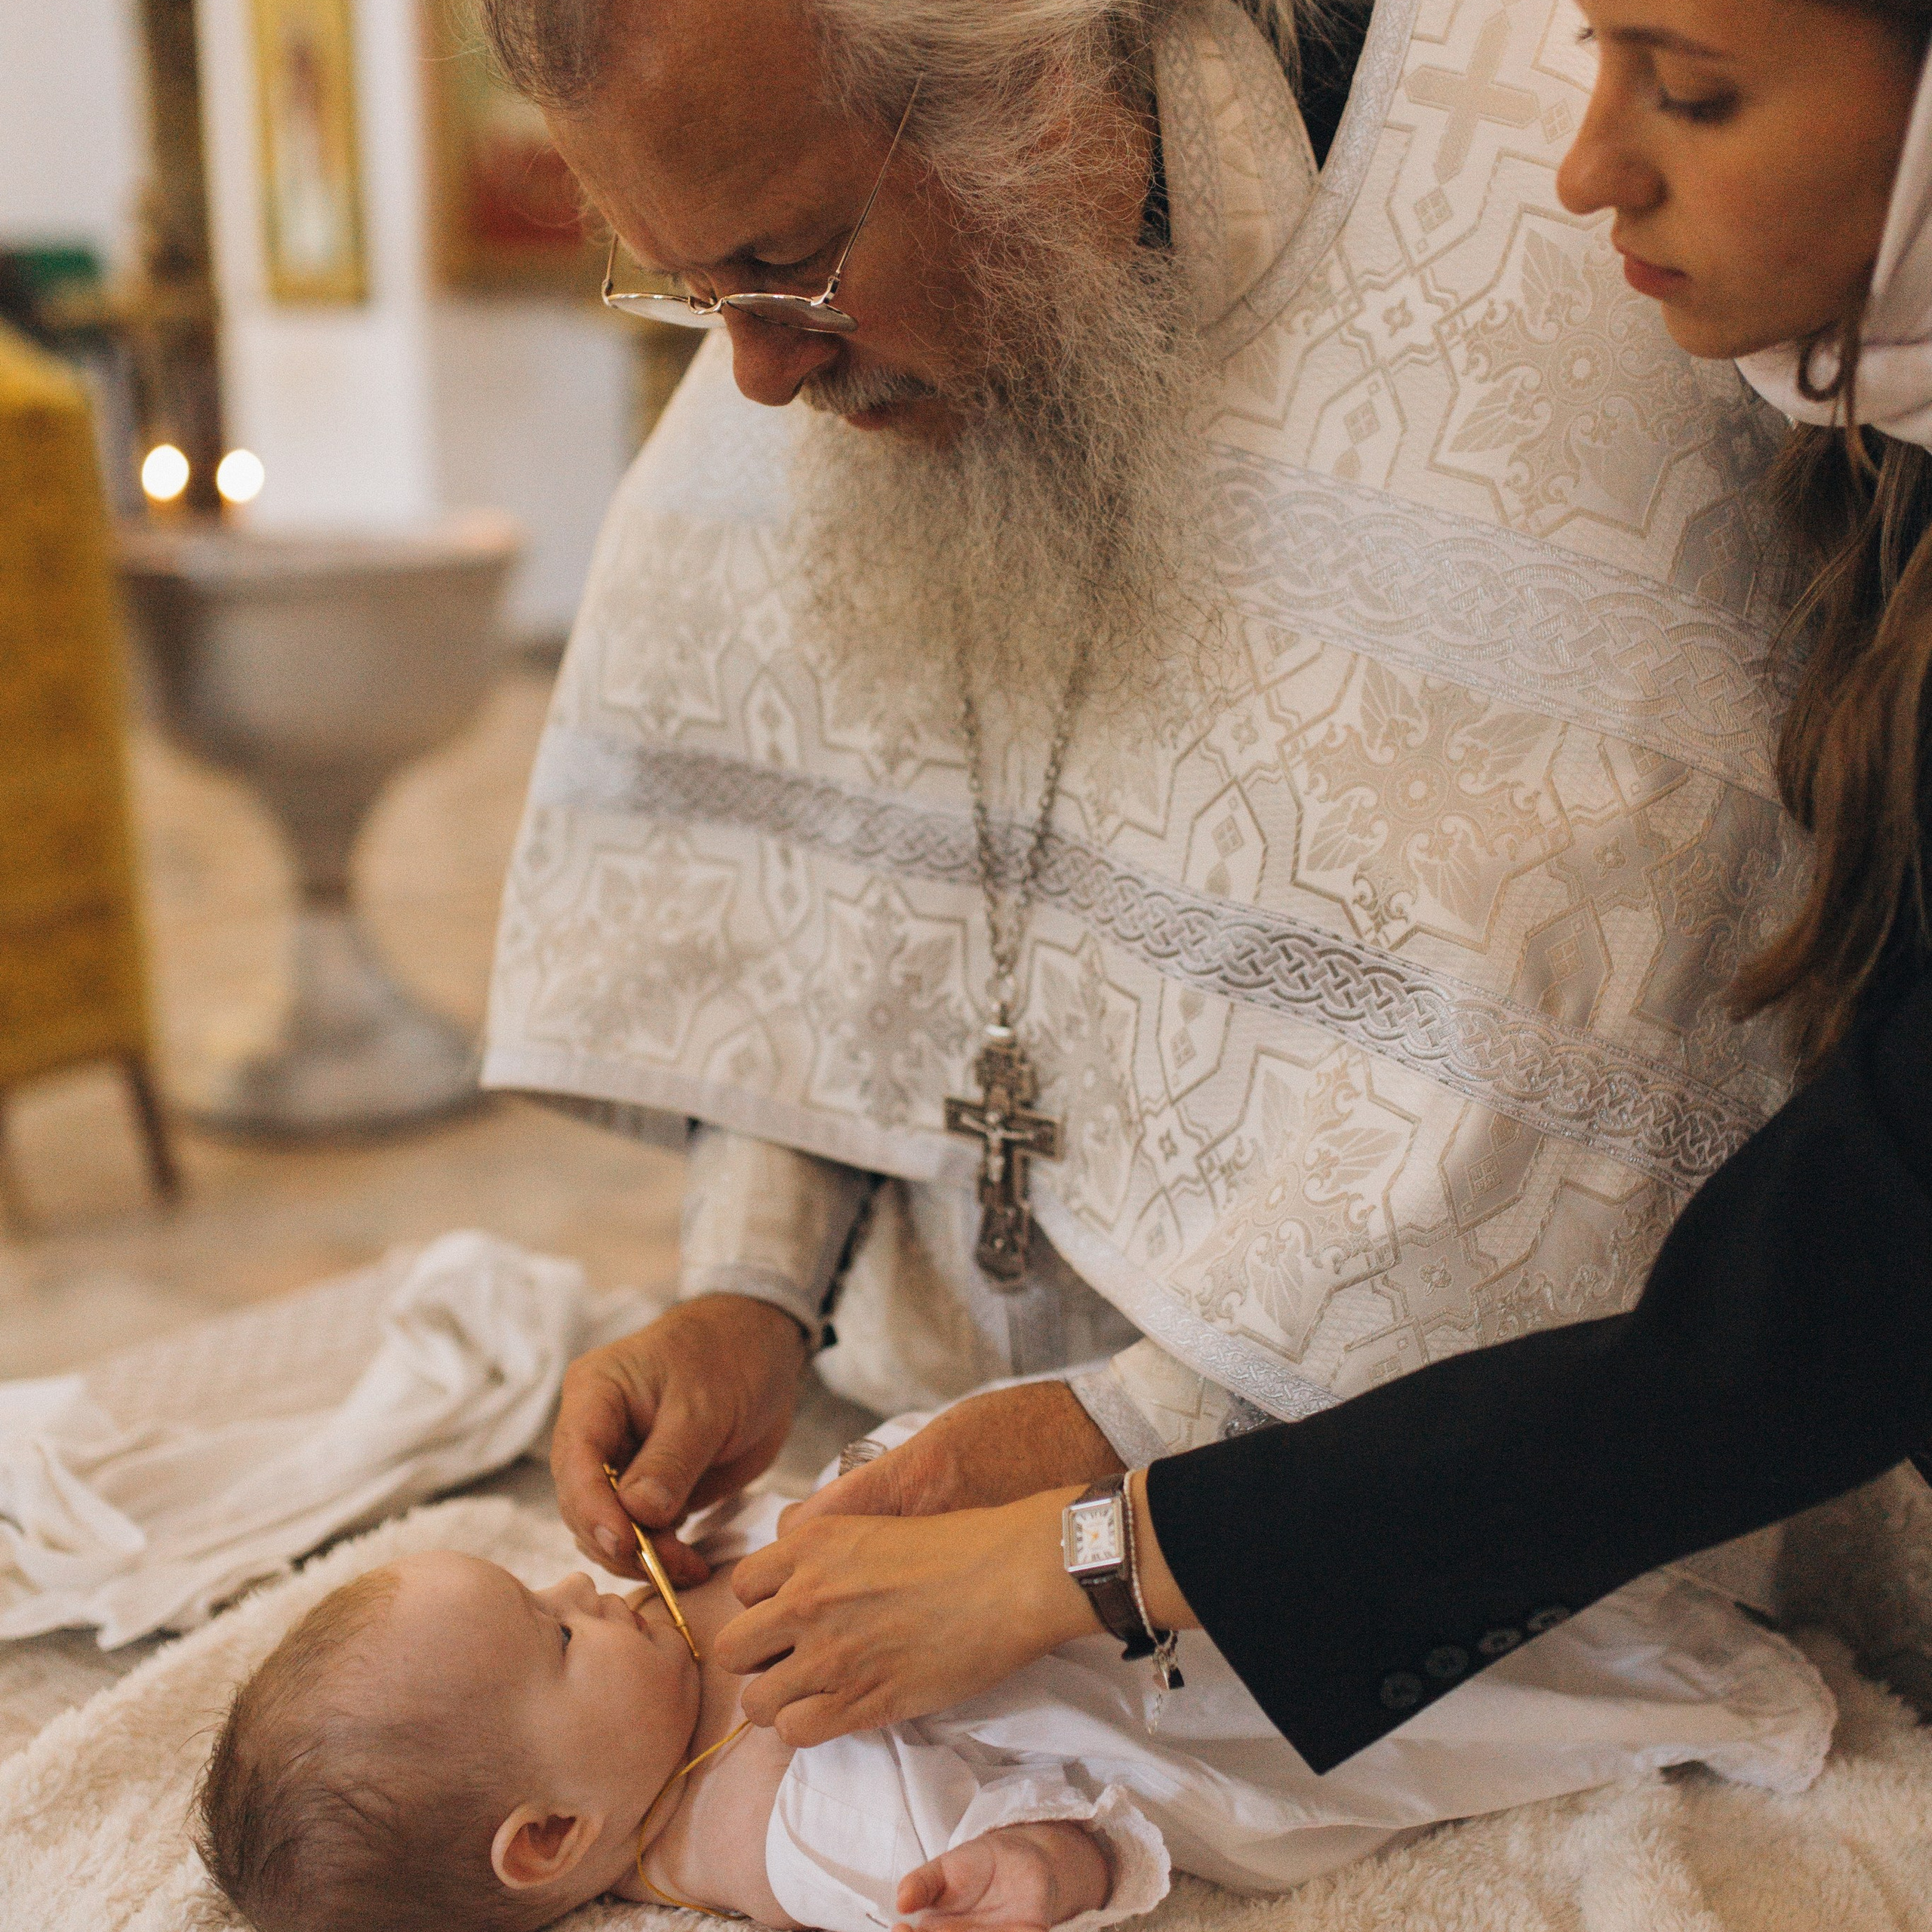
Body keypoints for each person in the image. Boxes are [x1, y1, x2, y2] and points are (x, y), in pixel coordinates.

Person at [478, 0, 1853, 1764]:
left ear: (1041, 98)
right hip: (916, 1465)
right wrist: (756, 1283)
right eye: (681, 289)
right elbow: (828, 834)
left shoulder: (1567, 222)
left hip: (1399, 1522)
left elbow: (1557, 1039)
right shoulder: (821, 292)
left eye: (781, 265)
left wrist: (1120, 1439)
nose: (750, 373)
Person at [193, 1430, 1830, 1932]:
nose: (588, 1592)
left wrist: (737, 1532)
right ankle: (1716, 1681)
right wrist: (1019, 1875)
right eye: (554, 1635)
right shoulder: (792, 1841)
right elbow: (1092, 1827)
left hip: (1102, 1591)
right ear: (549, 1836)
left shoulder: (664, 1659)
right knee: (1485, 1690)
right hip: (1193, 1722)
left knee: (1389, 1517)